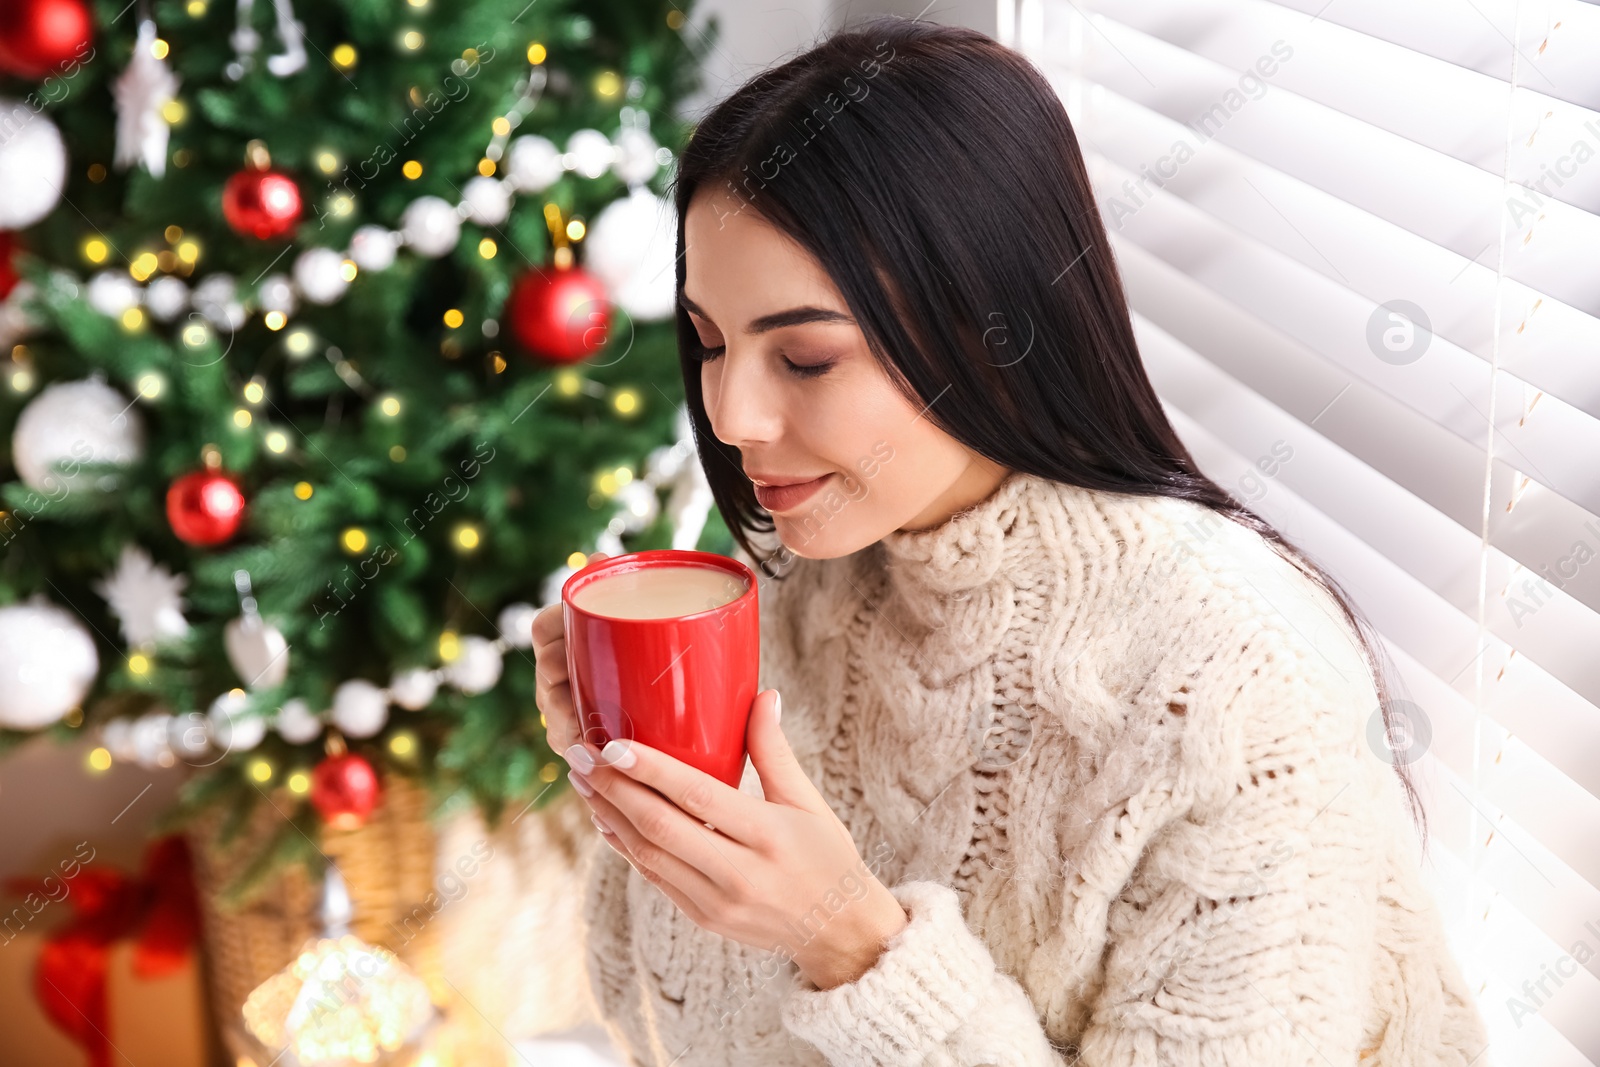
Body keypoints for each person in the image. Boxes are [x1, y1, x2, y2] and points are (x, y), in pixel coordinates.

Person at [532, 16, 1492, 1066]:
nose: (731, 415)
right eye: (709, 341)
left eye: (804, 359)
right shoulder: (834, 569)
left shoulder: (1237, 691)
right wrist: (648, 783)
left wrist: (853, 946)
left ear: (985, 326)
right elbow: (665, 1026)